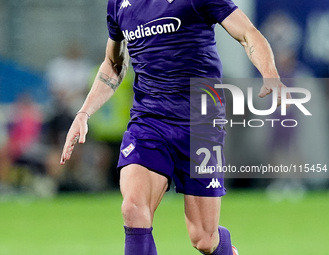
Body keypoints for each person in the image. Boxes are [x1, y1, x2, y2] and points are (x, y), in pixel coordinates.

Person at [60, 0, 289, 254]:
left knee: (203, 239)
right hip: (149, 122)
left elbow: (247, 34)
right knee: (133, 209)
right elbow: (113, 63)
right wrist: (84, 113)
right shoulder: (118, 4)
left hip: (201, 124)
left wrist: (270, 74)